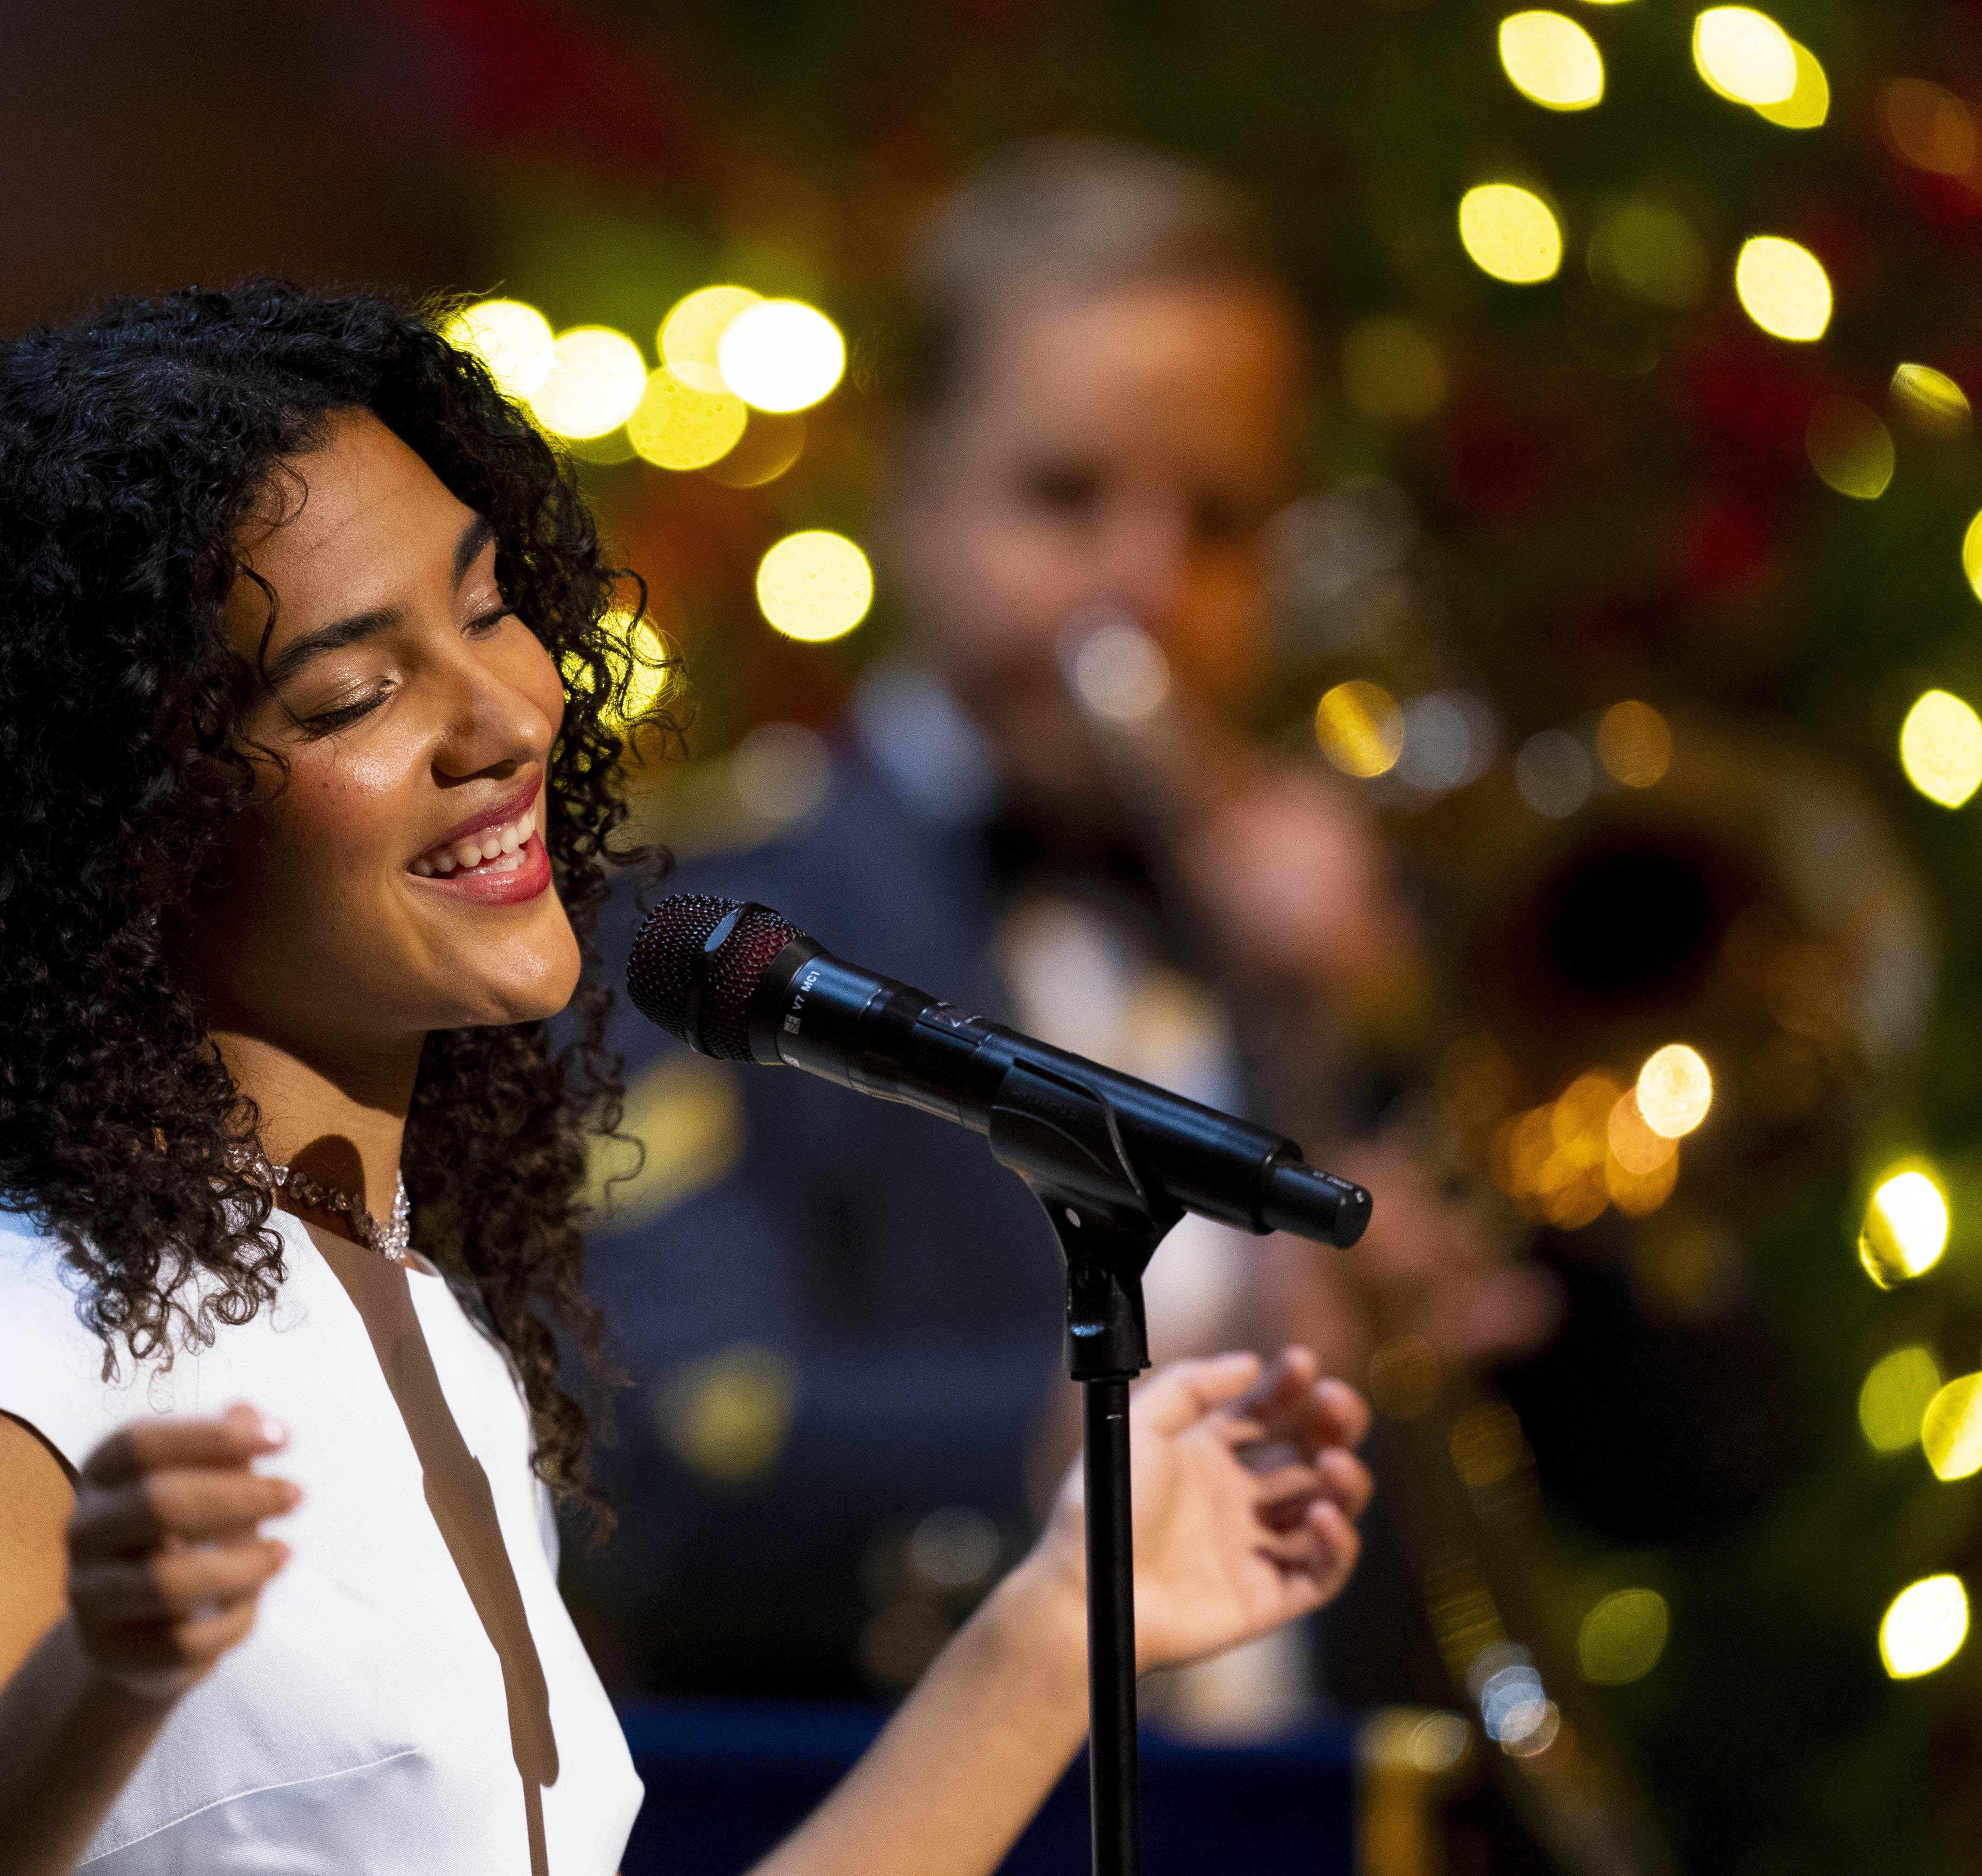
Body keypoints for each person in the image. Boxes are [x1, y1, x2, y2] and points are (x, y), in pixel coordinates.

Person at [0, 281, 1373, 1876]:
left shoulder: (393, 1290)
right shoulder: (32, 1311)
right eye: (351, 696)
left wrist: (1067, 1619)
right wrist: (93, 1689)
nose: (507, 717)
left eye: (491, 604)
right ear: (118, 834)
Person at [582, 142, 1552, 1716]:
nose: (1146, 585)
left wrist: (1395, 1017)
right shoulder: (712, 918)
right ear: (910, 491)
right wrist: (1136, 1412)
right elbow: (653, 1458)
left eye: (1222, 519)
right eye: (1065, 494)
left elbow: (1703, 1448)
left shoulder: (1371, 923)